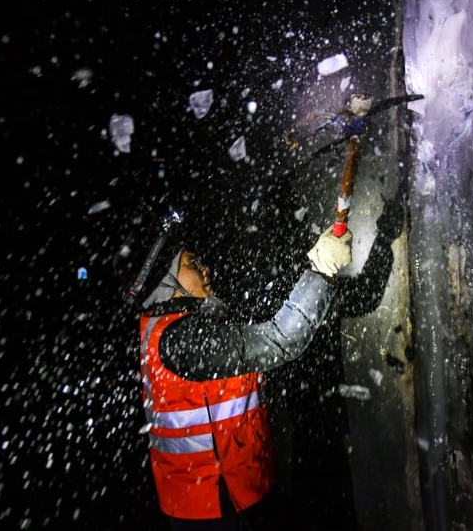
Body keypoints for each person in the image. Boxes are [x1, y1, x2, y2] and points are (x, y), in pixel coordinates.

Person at [127, 221, 353, 531]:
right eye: (192, 263)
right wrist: (321, 271)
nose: (205, 268)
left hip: (226, 492)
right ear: (167, 282)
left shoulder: (177, 325)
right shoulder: (183, 339)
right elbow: (281, 339)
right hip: (213, 502)